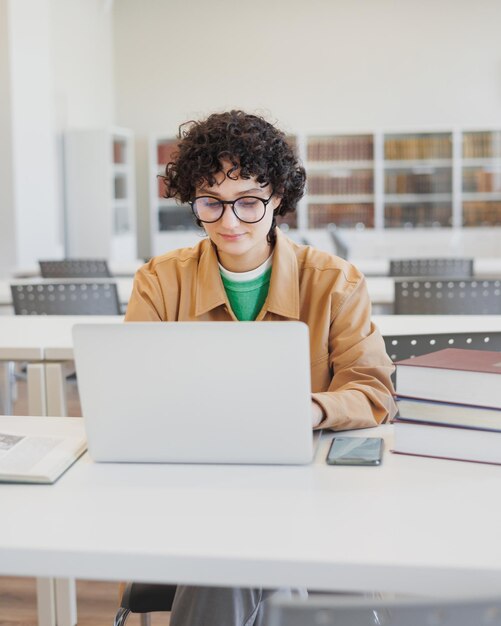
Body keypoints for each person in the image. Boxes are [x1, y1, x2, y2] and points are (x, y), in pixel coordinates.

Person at [125, 110, 397, 625]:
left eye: (248, 201)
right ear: (194, 203)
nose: (230, 222)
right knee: (246, 545)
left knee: (237, 553)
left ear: (277, 199)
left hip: (312, 488)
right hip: (196, 489)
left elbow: (372, 391)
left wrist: (308, 410)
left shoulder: (335, 282)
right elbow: (132, 394)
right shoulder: (159, 282)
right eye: (212, 202)